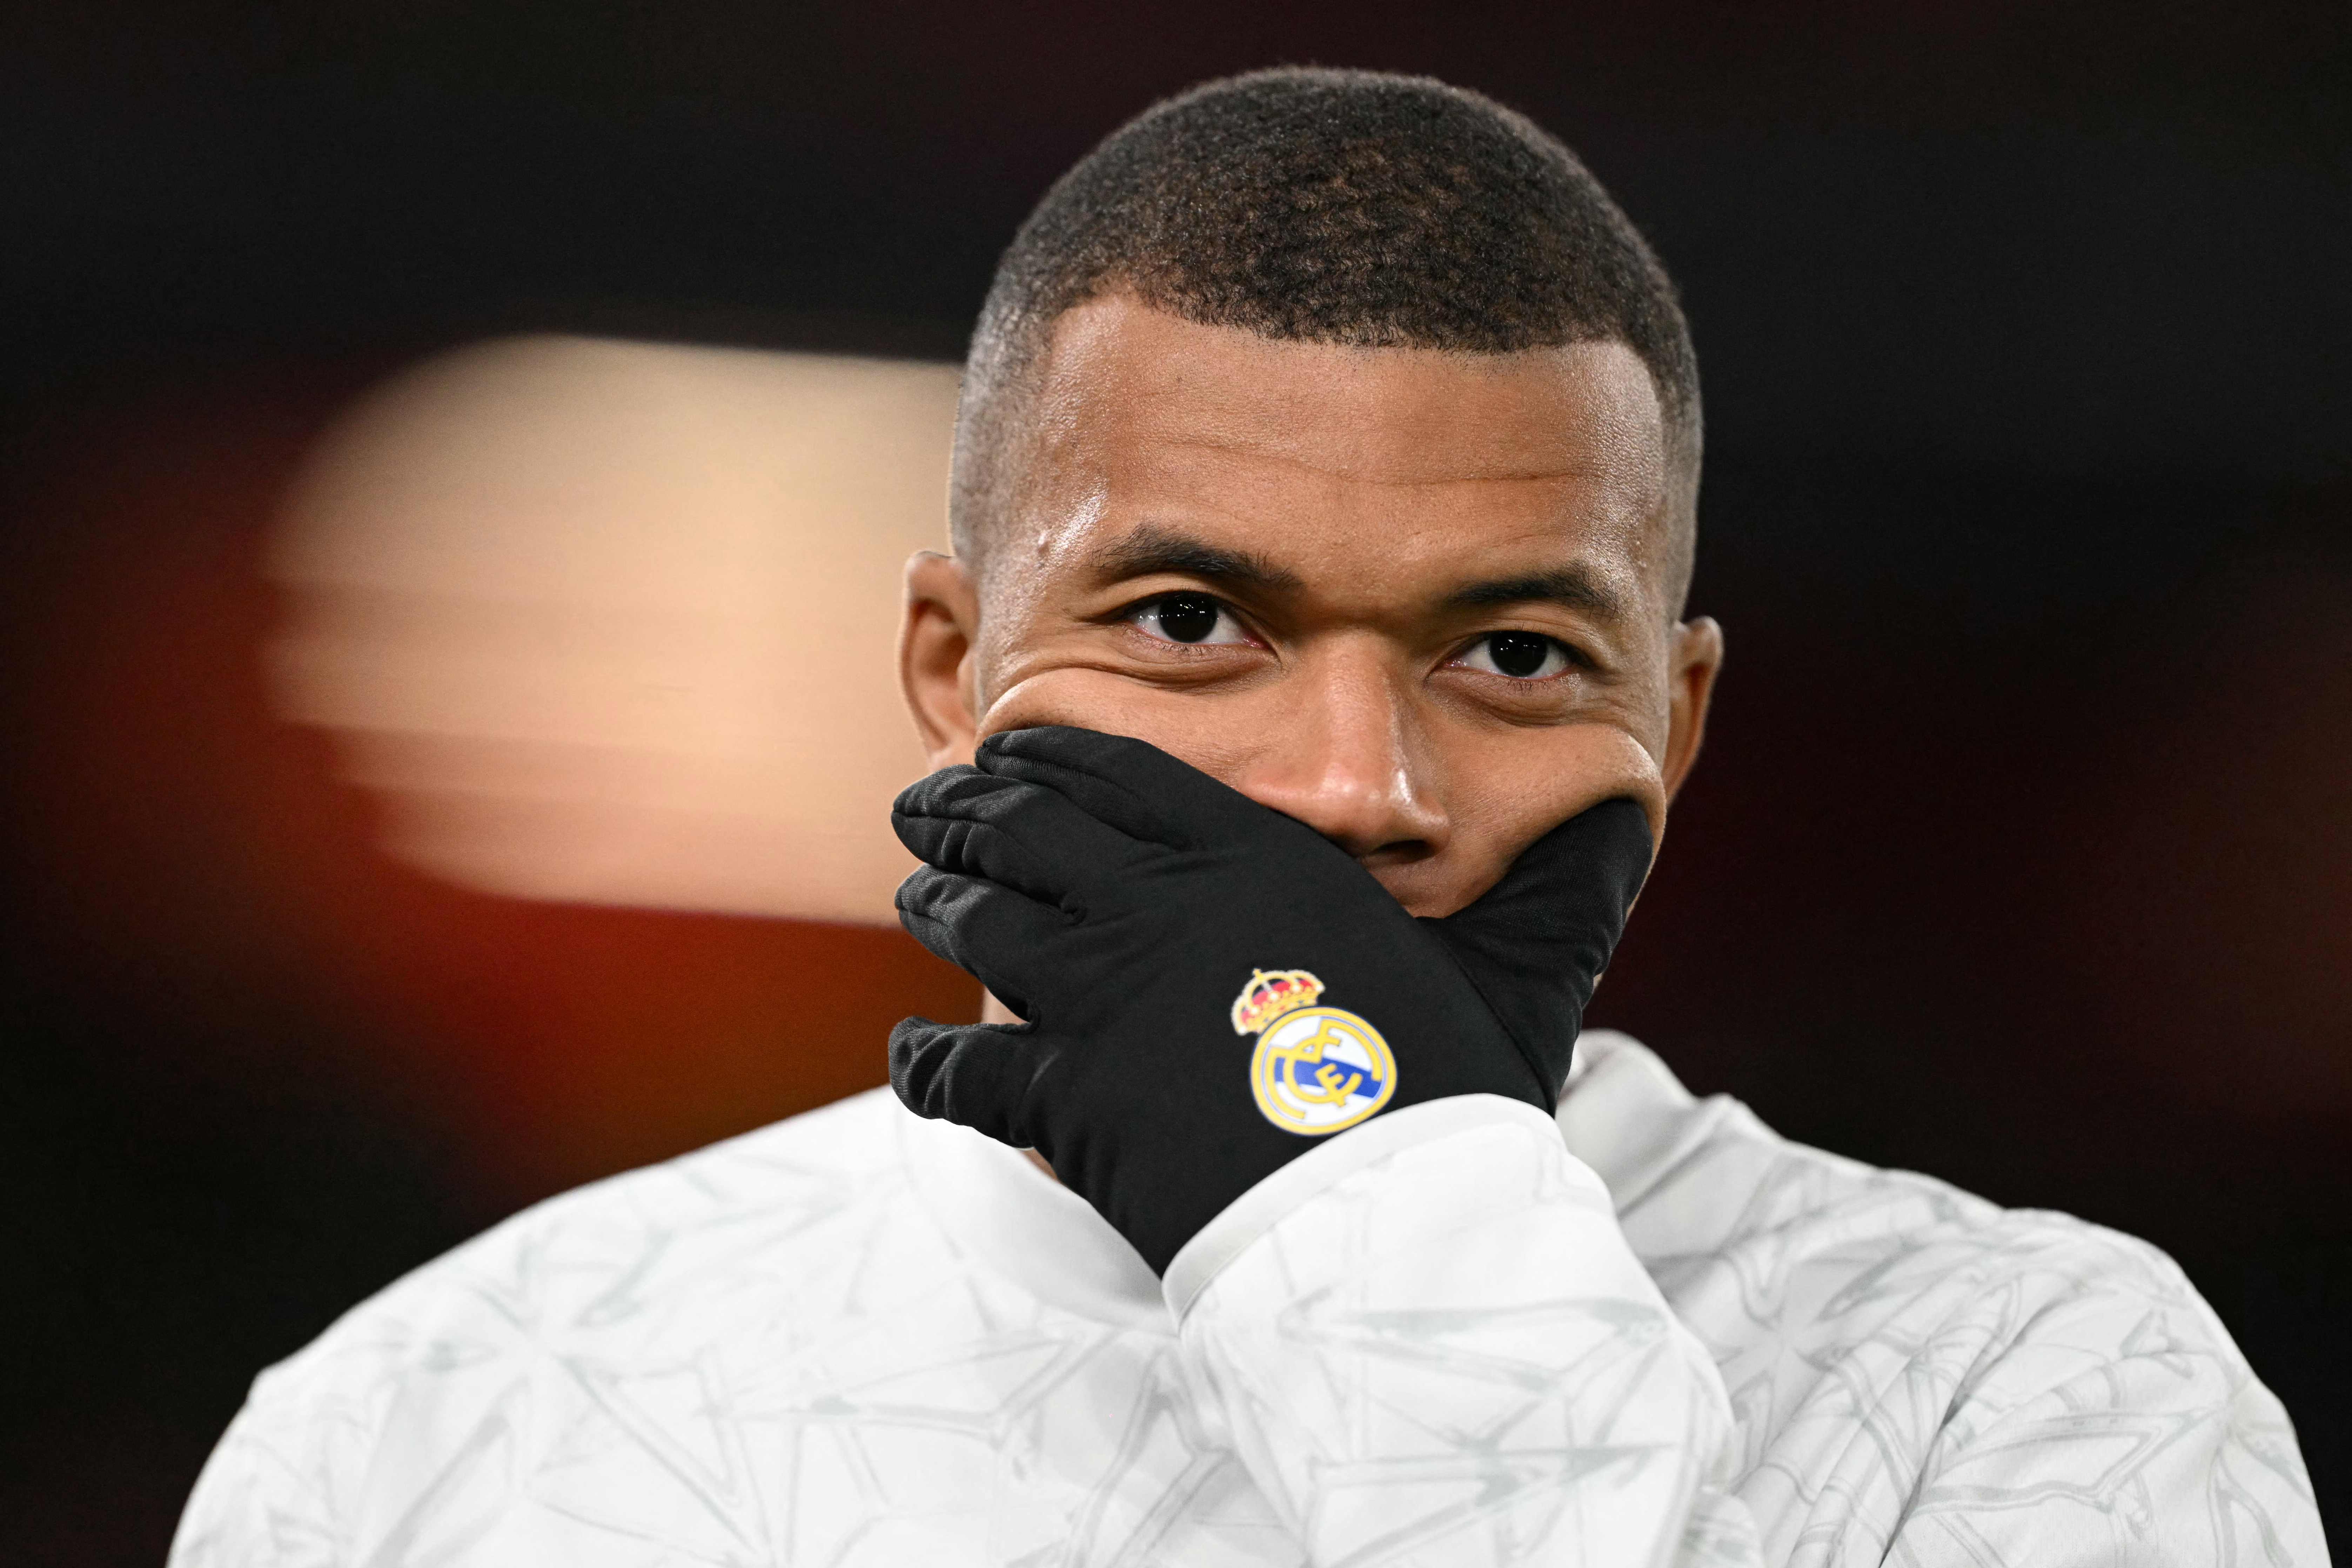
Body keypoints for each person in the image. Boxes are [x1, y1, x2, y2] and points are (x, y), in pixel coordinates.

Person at [171, 69, 2324, 1566]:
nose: (1350, 787)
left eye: (1509, 655)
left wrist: (1354, 1193)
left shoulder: (2033, 1383)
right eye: (1193, 619)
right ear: (948, 664)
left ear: (1670, 723)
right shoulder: (457, 1409)